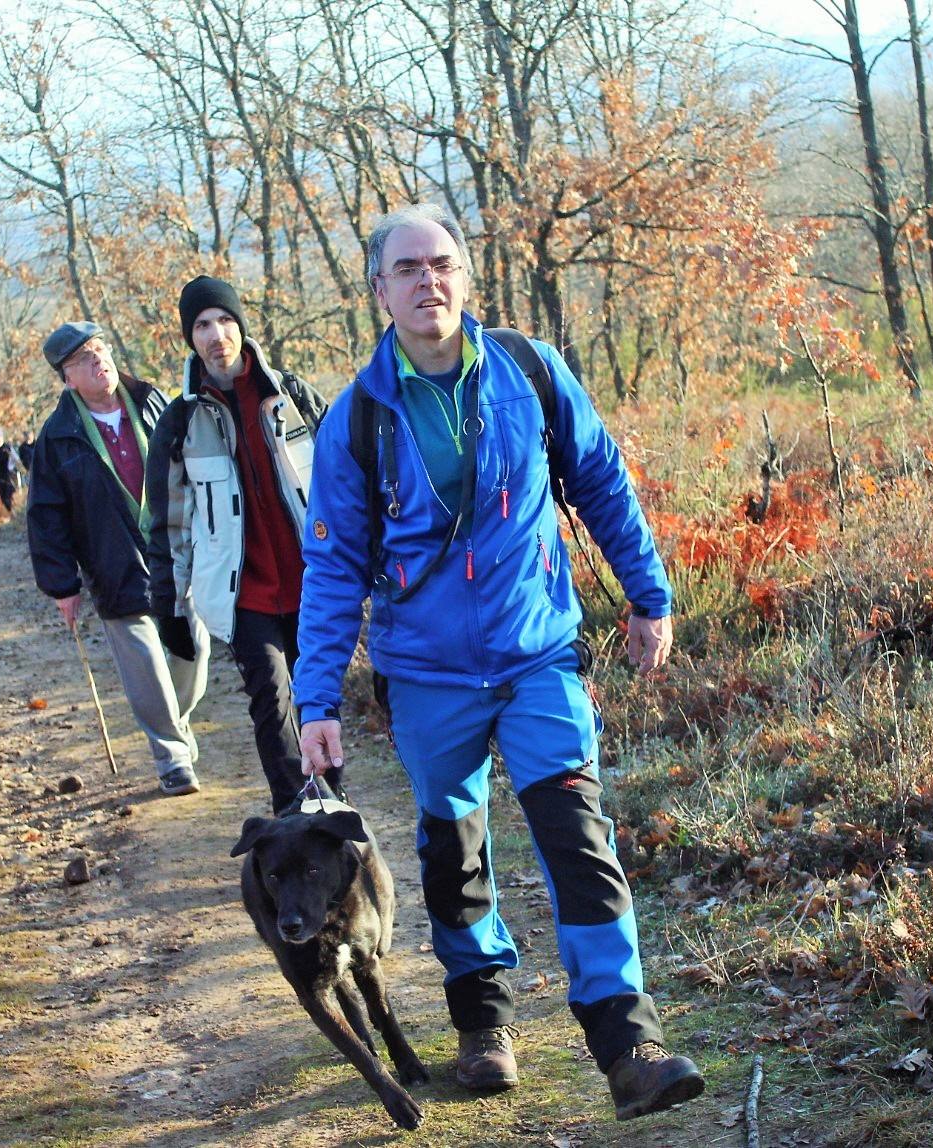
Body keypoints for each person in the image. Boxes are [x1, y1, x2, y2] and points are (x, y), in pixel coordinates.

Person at [293, 203, 704, 1120]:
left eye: (441, 264)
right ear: (378, 291)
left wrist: (648, 596)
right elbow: (331, 568)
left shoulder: (529, 372)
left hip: (538, 659)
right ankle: (483, 1022)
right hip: (429, 678)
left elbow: (600, 478)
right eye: (407, 269)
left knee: (579, 840)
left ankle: (628, 1041)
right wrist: (316, 698)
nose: (427, 281)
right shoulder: (356, 420)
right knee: (454, 852)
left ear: (466, 278)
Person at [145, 276, 331, 812]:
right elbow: (170, 525)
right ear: (190, 338)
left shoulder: (291, 396)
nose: (216, 334)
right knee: (272, 703)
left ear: (241, 327)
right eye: (202, 325)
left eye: (224, 321)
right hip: (240, 592)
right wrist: (172, 608)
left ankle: (334, 805)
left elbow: (345, 483)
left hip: (311, 581)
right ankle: (295, 814)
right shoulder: (180, 422)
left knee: (318, 698)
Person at [27, 321, 211, 797]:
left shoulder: (153, 403)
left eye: (100, 349)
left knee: (194, 648)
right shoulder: (58, 436)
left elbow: (198, 465)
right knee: (146, 664)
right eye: (84, 358)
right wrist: (62, 585)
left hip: (178, 555)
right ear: (67, 378)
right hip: (112, 563)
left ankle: (176, 722)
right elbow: (46, 514)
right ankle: (172, 758)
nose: (99, 360)